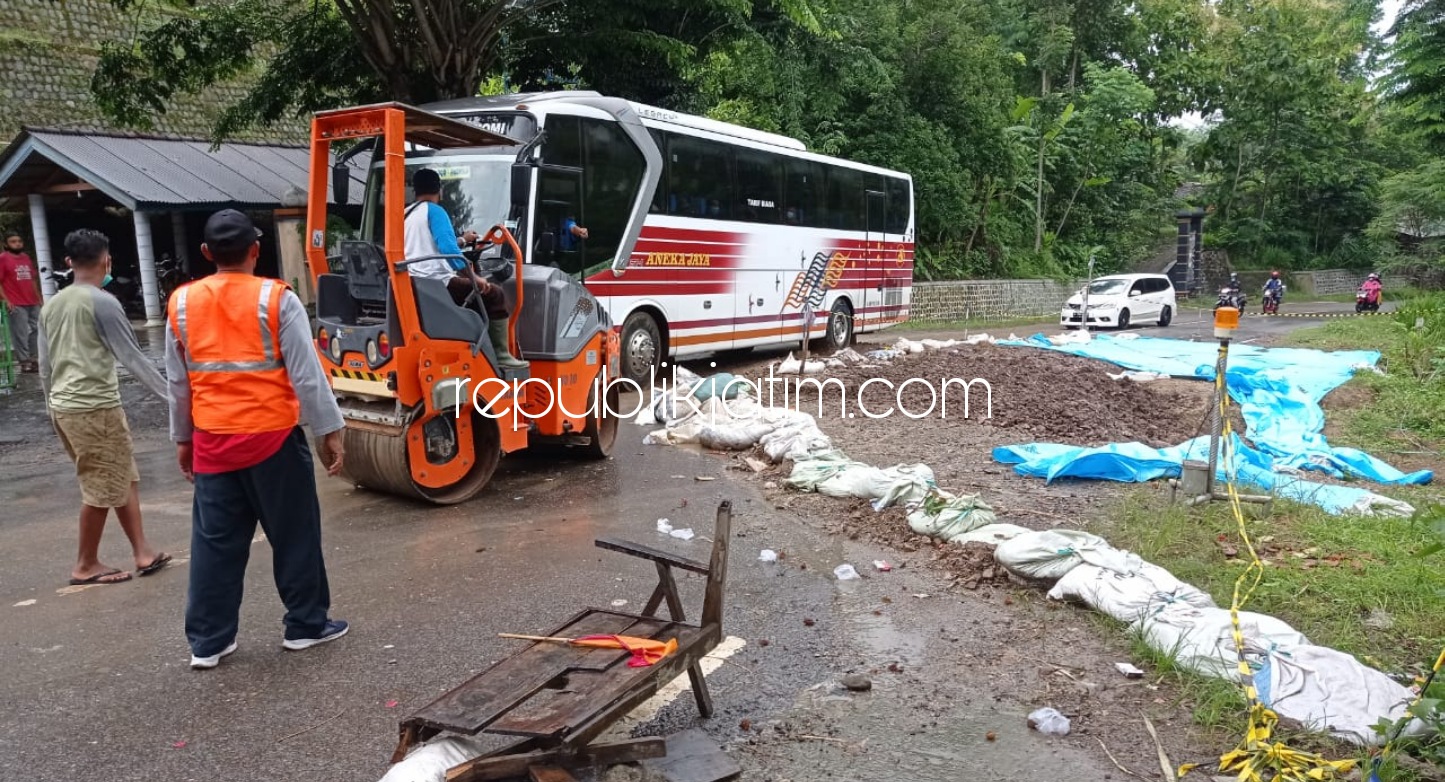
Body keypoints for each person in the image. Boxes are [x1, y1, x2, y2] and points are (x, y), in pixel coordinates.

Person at [166, 209, 349, 669]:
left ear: (207, 253)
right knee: (294, 534)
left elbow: (178, 383)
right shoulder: (276, 299)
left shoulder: (182, 303)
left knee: (214, 545)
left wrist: (182, 440)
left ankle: (208, 642)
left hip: (212, 440)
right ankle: (305, 626)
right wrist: (330, 431)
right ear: (255, 249)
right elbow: (307, 377)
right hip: (272, 439)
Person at [37, 229, 172, 585]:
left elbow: (44, 366)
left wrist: (53, 408)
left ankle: (143, 551)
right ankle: (86, 564)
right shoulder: (102, 302)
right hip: (93, 408)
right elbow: (134, 360)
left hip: (67, 407)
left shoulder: (51, 305)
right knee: (100, 486)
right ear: (106, 260)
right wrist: (179, 400)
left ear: (68, 263)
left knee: (123, 475)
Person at [402, 168, 524, 368]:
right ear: (439, 190)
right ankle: (502, 356)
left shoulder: (406, 214)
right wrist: (474, 278)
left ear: (415, 190)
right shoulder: (435, 211)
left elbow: (429, 245)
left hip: (414, 283)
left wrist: (463, 240)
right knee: (494, 294)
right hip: (439, 284)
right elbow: (447, 248)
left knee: (476, 294)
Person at [1, 231, 43, 373]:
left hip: (32, 301)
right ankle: (24, 361)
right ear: (6, 244)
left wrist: (39, 298)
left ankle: (34, 358)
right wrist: (6, 300)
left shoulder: (26, 258)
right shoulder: (3, 258)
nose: (17, 243)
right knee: (20, 332)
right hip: (15, 302)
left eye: (19, 241)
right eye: (13, 241)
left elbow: (32, 279)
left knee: (38, 328)